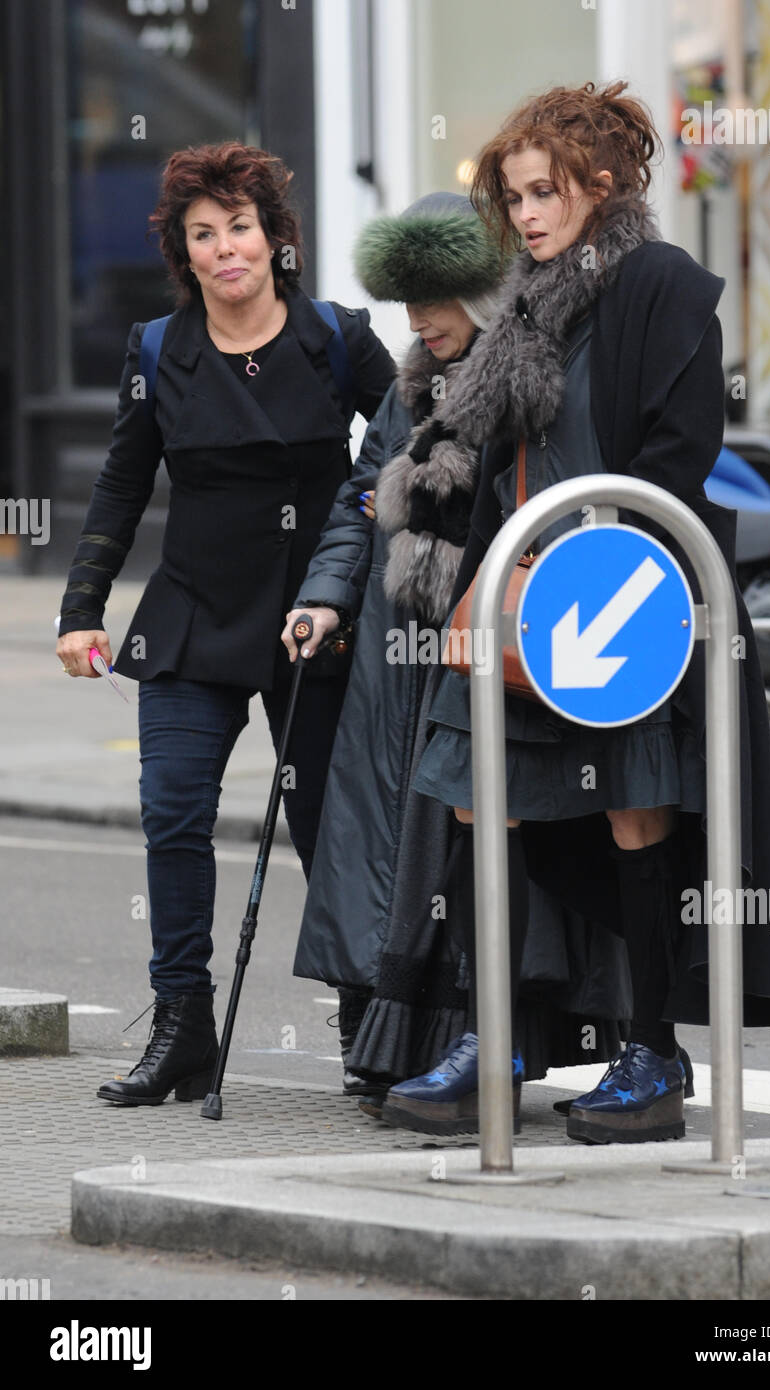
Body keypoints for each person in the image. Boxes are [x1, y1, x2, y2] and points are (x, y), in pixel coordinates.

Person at [372, 80, 770, 1142]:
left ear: (599, 187)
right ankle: (502, 1033)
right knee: (483, 802)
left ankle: (651, 1055)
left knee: (635, 815)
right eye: (512, 197)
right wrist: (471, 574)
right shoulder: (517, 306)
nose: (522, 216)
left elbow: (678, 457)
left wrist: (596, 570)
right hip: (514, 593)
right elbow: (490, 466)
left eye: (542, 193)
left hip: (627, 600)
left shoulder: (663, 284)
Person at [56, 142, 395, 1106]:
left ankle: (369, 1020)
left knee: (334, 822)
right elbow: (123, 484)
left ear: (274, 237)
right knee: (171, 812)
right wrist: (82, 610)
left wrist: (368, 544)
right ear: (185, 255)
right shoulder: (159, 351)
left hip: (313, 612)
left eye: (239, 227)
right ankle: (182, 1029)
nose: (224, 249)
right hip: (194, 610)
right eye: (202, 235)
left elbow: (412, 445)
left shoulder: (337, 337)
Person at [284, 193, 629, 1107]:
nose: (421, 321)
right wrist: (323, 597)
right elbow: (361, 498)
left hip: (483, 659)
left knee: (467, 854)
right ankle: (397, 1045)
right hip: (393, 666)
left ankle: (484, 1048)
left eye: (437, 299)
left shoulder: (524, 377)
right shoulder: (409, 386)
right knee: (402, 860)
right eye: (407, 303)